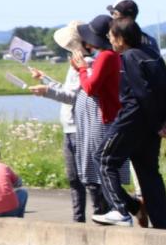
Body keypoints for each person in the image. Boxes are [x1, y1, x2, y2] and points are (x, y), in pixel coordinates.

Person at [28, 21, 129, 222]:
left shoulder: (91, 62)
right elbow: (71, 89)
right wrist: (46, 79)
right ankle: (84, 218)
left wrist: (48, 91)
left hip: (83, 126)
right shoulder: (83, 62)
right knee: (78, 178)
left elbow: (77, 93)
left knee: (90, 177)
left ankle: (103, 214)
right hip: (74, 125)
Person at [92, 19, 166, 228]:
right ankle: (162, 222)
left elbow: (142, 93)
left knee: (103, 159)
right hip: (151, 124)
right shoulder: (153, 54)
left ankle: (121, 210)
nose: (109, 39)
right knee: (148, 171)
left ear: (121, 38)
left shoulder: (129, 56)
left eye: (111, 36)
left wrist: (159, 123)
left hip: (132, 119)